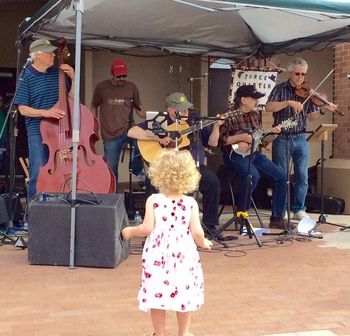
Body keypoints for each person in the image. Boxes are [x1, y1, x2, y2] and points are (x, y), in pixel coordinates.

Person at [122, 149, 212, 336]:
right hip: (183, 255)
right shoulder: (190, 203)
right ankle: (183, 332)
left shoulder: (153, 200)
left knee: (157, 293)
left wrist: (130, 231)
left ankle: (159, 333)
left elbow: (146, 228)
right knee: (184, 292)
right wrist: (204, 242)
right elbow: (197, 231)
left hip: (158, 255)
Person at [127, 92, 228, 240]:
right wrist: (158, 137)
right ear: (170, 110)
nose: (186, 112)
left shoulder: (195, 121)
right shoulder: (160, 120)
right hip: (166, 166)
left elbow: (213, 143)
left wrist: (217, 127)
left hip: (190, 166)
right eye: (181, 110)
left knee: (212, 181)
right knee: (153, 182)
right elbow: (132, 131)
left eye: (186, 109)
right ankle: (154, 228)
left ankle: (209, 226)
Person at [266, 58, 338, 220]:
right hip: (282, 137)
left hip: (300, 137)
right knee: (281, 176)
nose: (300, 78)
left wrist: (323, 110)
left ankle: (299, 208)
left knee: (302, 176)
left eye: (303, 74)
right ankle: (281, 210)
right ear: (291, 73)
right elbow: (269, 106)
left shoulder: (308, 92)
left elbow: (311, 117)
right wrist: (288, 103)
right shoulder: (280, 89)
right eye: (297, 74)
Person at [218, 85, 291, 230]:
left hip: (254, 154)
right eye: (254, 98)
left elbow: (260, 140)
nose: (257, 102)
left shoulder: (255, 114)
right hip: (234, 155)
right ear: (243, 100)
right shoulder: (229, 114)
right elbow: (220, 140)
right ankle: (242, 214)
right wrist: (241, 137)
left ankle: (277, 218)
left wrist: (273, 135)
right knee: (252, 175)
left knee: (282, 176)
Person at [14, 39, 75, 200]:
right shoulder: (26, 77)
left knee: (62, 173)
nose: (54, 55)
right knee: (38, 172)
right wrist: (45, 113)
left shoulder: (57, 73)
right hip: (37, 133)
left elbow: (71, 100)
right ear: (38, 55)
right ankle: (33, 214)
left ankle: (59, 209)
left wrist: (74, 79)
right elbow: (23, 109)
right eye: (50, 52)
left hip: (60, 131)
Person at [91, 59, 145, 183]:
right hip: (110, 134)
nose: (121, 78)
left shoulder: (131, 87)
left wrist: (151, 116)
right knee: (111, 168)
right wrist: (92, 124)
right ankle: (113, 196)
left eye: (124, 76)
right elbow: (94, 106)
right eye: (118, 75)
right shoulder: (101, 87)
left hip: (128, 128)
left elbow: (139, 109)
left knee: (142, 143)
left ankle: (136, 169)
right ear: (112, 72)